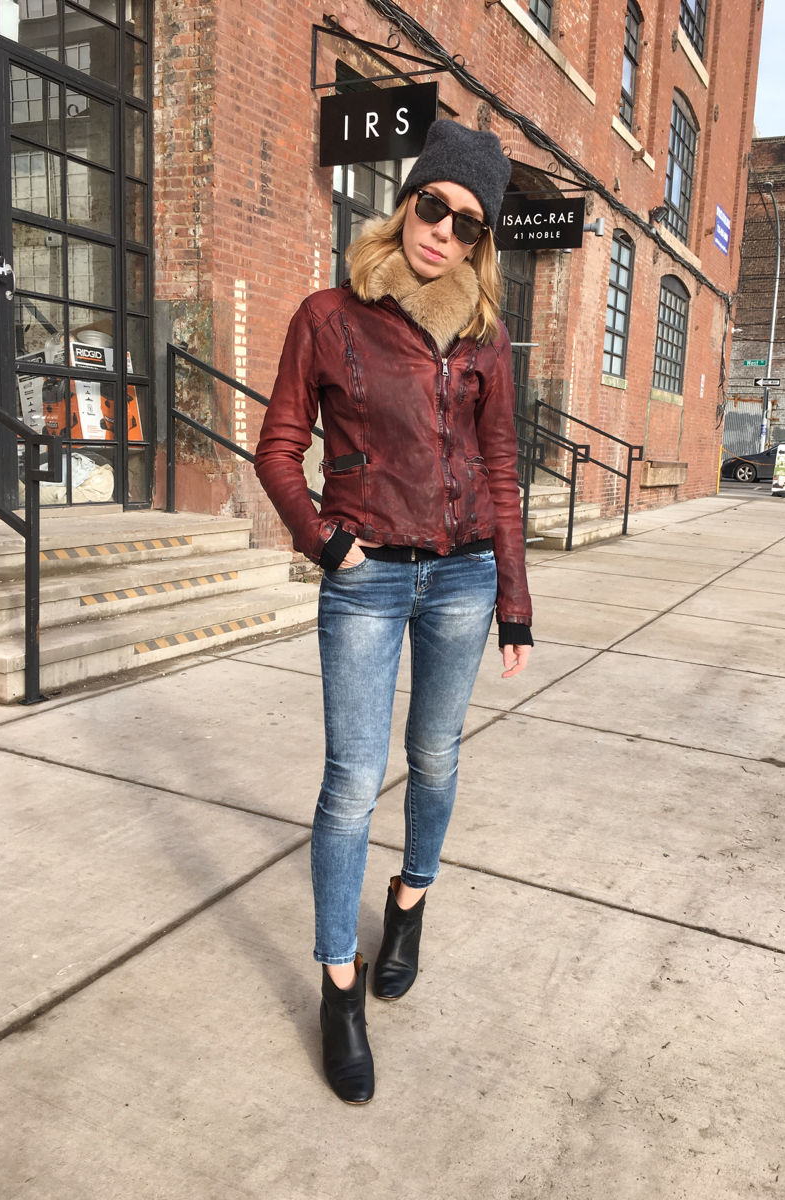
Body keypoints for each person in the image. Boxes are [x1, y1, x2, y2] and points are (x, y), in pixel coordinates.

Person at [255, 119, 532, 1104]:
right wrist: (326, 542)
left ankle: (409, 900)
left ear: (481, 240)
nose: (443, 233)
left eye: (466, 223)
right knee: (349, 783)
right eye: (434, 206)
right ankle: (340, 987)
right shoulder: (330, 315)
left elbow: (500, 466)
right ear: (407, 200)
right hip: (367, 581)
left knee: (441, 757)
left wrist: (514, 599)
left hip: (460, 579)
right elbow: (278, 447)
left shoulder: (489, 339)